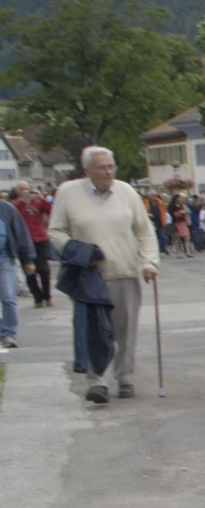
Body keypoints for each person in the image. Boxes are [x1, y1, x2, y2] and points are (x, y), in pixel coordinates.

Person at [47, 147, 157, 403]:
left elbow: (145, 231)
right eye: (102, 167)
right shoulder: (68, 193)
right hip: (89, 274)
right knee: (94, 329)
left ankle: (125, 376)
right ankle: (97, 381)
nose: (109, 172)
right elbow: (56, 231)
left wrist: (149, 262)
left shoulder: (126, 192)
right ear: (87, 171)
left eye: (111, 166)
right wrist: (77, 250)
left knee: (124, 329)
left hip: (124, 270)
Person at [12, 186, 54, 308]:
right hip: (24, 241)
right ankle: (38, 298)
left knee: (43, 269)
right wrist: (22, 202)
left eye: (27, 189)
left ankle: (47, 296)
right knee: (29, 270)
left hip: (40, 239)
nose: (25, 191)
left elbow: (51, 211)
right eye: (21, 189)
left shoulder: (38, 202)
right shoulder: (16, 205)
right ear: (17, 191)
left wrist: (42, 198)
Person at [0, 190, 31, 350]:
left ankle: (9, 333)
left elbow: (21, 234)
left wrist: (27, 259)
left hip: (4, 257)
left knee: (8, 297)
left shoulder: (7, 209)